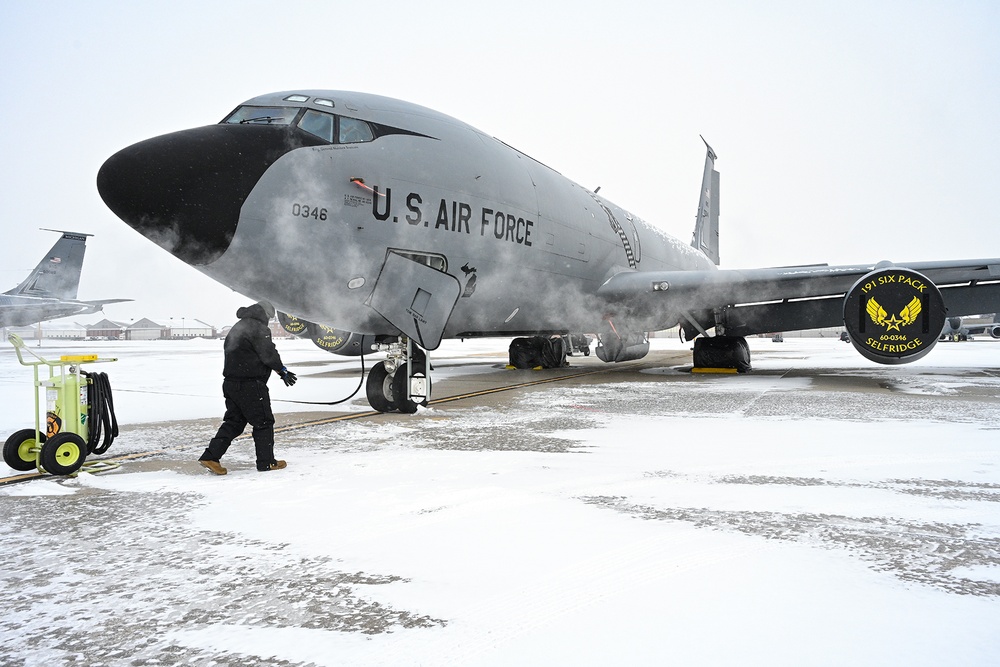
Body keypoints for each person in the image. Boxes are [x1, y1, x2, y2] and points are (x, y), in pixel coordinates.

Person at [198, 300, 297, 475]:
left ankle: (211, 456)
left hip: (230, 383)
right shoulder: (258, 328)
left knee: (234, 422)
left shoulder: (238, 326)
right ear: (264, 314)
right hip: (250, 385)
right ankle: (266, 463)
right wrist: (282, 370)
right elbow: (268, 353)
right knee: (264, 422)